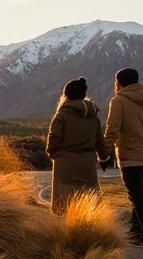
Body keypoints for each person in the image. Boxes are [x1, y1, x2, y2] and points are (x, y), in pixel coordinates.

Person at [104, 67, 143, 247]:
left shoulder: (118, 101)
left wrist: (105, 153)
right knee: (137, 195)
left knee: (137, 197)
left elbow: (112, 130)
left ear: (119, 82)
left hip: (130, 156)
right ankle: (135, 233)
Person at [45, 77, 109, 214]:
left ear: (66, 94)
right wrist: (104, 159)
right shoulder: (93, 117)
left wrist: (53, 154)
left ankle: (68, 234)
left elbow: (53, 141)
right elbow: (100, 143)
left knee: (63, 205)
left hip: (65, 166)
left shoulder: (61, 115)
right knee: (90, 205)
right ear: (84, 95)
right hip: (88, 165)